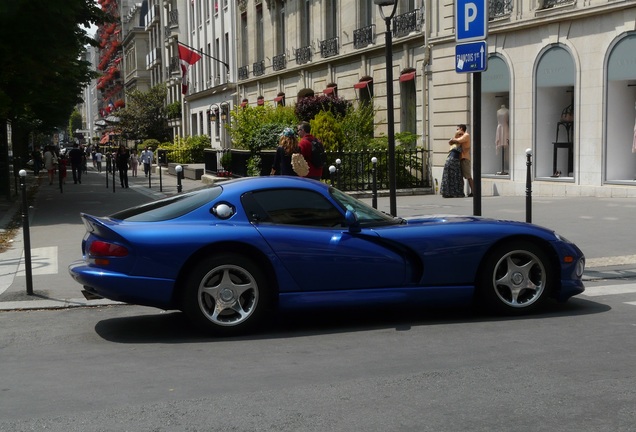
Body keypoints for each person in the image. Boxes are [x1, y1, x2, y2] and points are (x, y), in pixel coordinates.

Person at [449, 124, 474, 197]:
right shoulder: (460, 135)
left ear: (461, 129)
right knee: (460, 177)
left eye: (457, 129)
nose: (456, 131)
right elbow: (451, 143)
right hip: (459, 158)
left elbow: (459, 140)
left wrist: (454, 138)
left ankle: (473, 191)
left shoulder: (466, 135)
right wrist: (454, 138)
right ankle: (461, 192)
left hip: (465, 158)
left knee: (468, 176)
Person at [440, 130, 465, 198]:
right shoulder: (455, 142)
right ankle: (448, 193)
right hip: (452, 160)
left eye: (462, 134)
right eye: (459, 134)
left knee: (455, 176)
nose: (461, 135)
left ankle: (454, 193)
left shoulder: (460, 141)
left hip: (455, 160)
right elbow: (450, 141)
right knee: (450, 176)